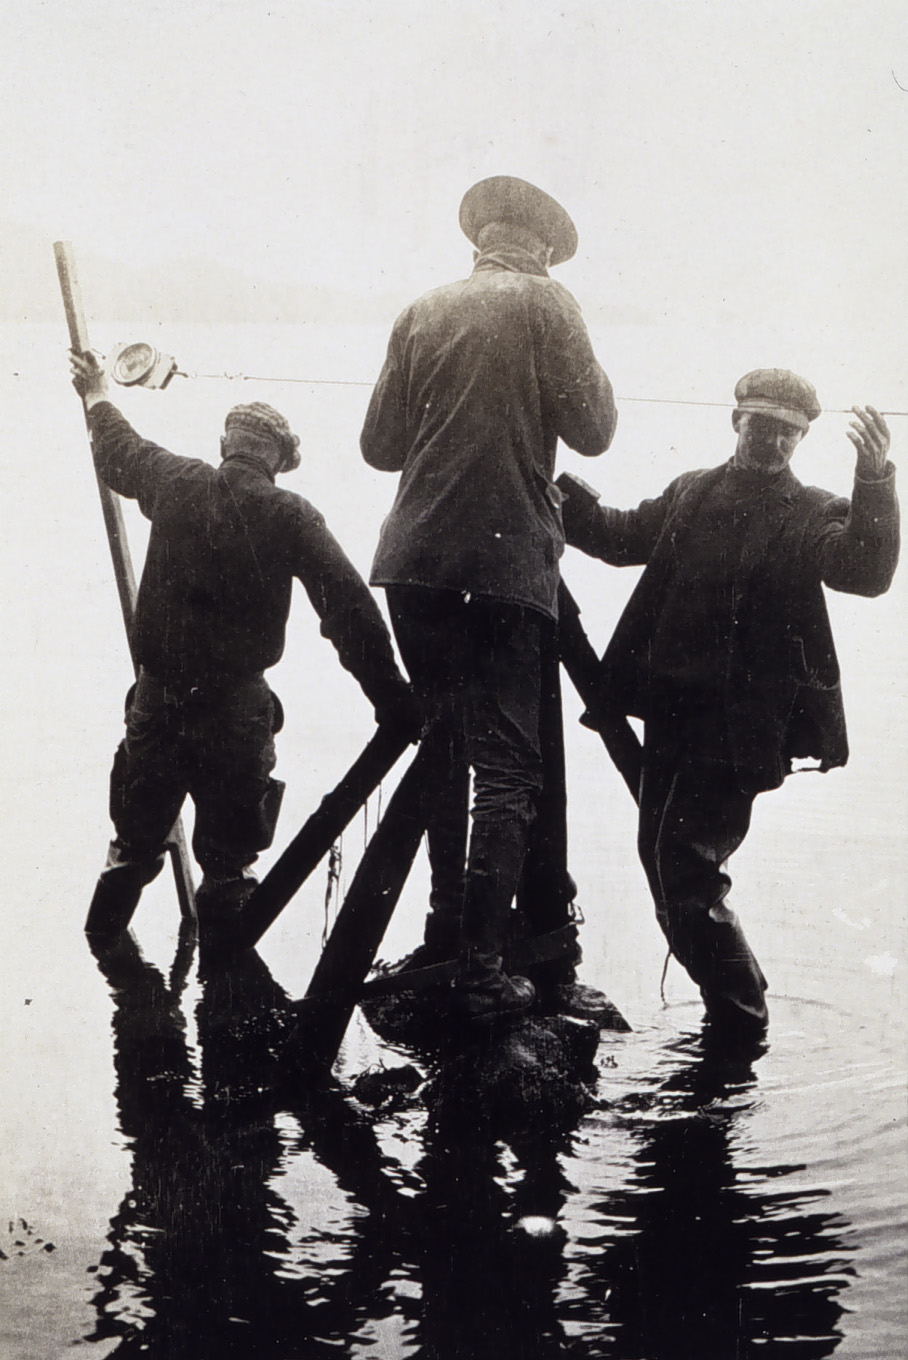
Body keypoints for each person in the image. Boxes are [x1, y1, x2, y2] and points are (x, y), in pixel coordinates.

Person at [557, 368, 899, 1035]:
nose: (772, 444)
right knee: (663, 867)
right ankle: (734, 1012)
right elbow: (620, 536)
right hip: (669, 719)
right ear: (736, 420)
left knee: (683, 874)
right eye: (762, 427)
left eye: (787, 434)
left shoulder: (812, 513)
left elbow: (865, 570)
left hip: (740, 734)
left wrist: (876, 476)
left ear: (801, 440)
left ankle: (741, 1018)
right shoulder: (692, 492)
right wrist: (548, 488)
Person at [360, 175, 618, 1018]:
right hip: (509, 569)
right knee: (509, 766)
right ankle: (478, 972)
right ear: (542, 247)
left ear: (479, 240)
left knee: (444, 749)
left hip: (415, 561)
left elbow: (377, 446)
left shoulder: (421, 309)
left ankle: (446, 933)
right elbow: (596, 432)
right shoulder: (551, 304)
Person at [70, 351, 416, 940]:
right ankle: (226, 1005)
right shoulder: (291, 515)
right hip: (235, 717)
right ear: (279, 461)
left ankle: (116, 975)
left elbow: (118, 451)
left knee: (130, 849)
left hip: (158, 706)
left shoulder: (178, 480)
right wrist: (392, 699)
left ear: (226, 444)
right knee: (229, 872)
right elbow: (351, 613)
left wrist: (98, 392)